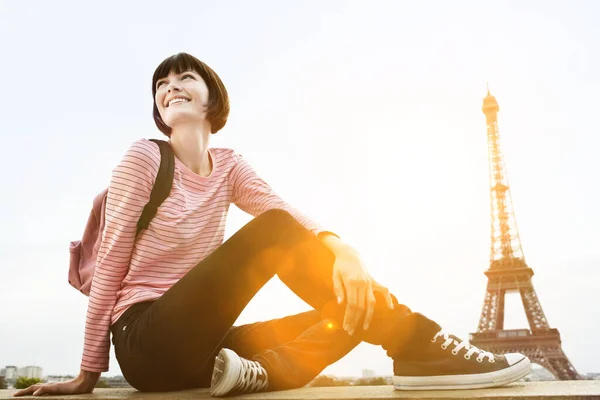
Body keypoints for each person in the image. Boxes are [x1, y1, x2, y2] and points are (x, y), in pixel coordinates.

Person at [14, 53, 531, 397]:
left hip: (203, 346)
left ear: (211, 97)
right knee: (279, 232)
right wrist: (88, 371)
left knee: (348, 309)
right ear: (157, 107)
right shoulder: (143, 159)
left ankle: (261, 375)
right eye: (161, 85)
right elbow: (110, 263)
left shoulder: (232, 166)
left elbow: (279, 207)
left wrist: (344, 251)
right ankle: (418, 341)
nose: (170, 87)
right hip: (146, 340)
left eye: (183, 79)